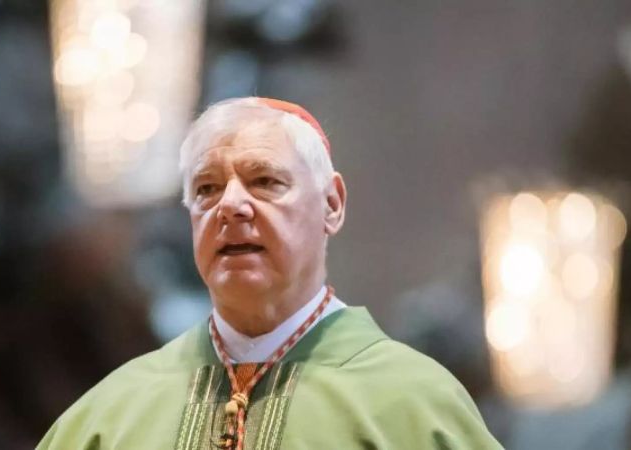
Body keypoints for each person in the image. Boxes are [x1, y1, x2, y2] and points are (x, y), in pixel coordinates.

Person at [36, 97, 503, 449]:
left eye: (265, 182)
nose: (231, 206)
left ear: (332, 204)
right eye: (207, 189)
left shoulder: (415, 407)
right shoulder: (108, 418)